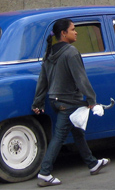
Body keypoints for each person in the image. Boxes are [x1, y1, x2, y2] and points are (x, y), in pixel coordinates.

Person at [32, 19, 109, 187]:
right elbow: (81, 78)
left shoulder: (49, 52)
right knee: (59, 136)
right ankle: (44, 172)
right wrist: (91, 100)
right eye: (73, 29)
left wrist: (38, 102)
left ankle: (92, 163)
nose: (76, 32)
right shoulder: (71, 52)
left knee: (77, 131)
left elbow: (42, 80)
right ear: (63, 34)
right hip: (69, 102)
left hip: (55, 100)